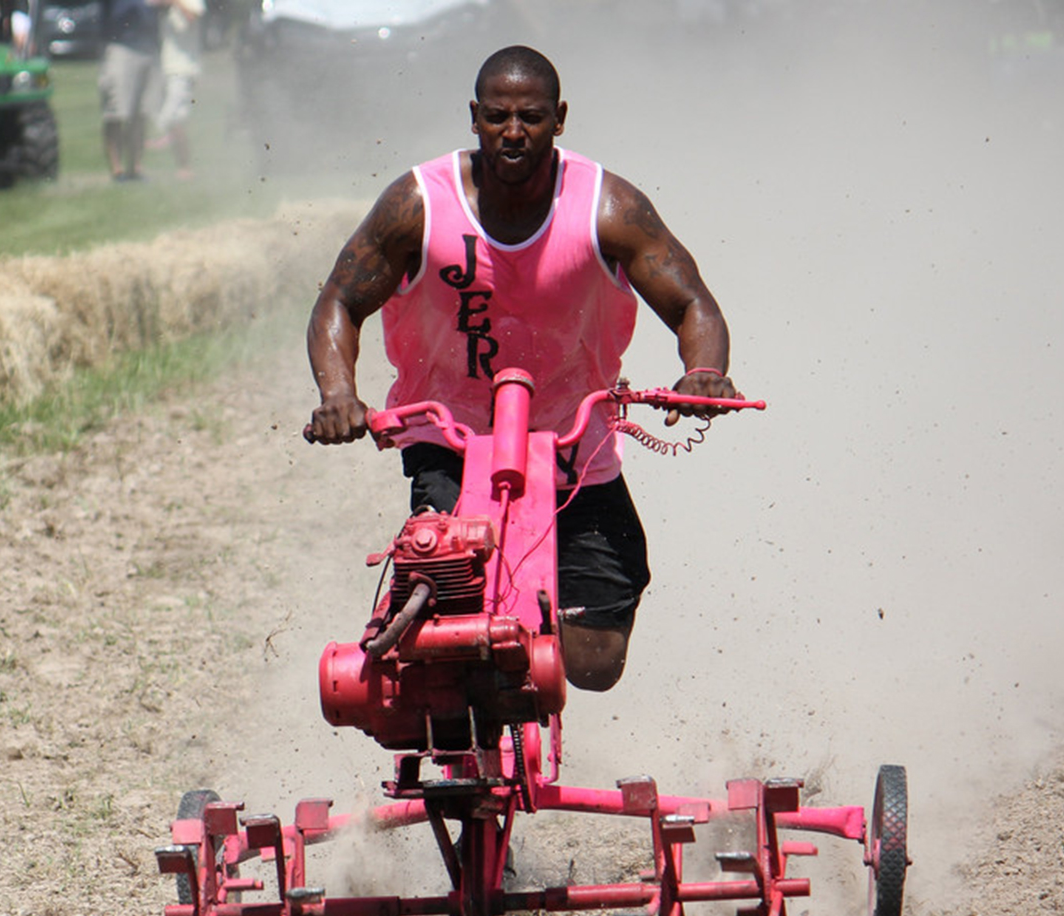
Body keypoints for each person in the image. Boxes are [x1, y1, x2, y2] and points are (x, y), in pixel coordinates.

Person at [302, 45, 743, 693]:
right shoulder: (419, 204)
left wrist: (704, 370)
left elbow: (692, 302)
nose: (514, 133)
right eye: (498, 117)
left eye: (531, 117)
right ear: (474, 118)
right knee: (449, 614)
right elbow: (339, 300)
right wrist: (339, 393)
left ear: (558, 119)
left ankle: (525, 669)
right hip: (448, 443)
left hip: (573, 448)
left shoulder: (606, 207)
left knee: (595, 662)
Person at [98, 0, 157, 181]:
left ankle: (136, 168)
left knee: (141, 113)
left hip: (149, 48)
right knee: (116, 112)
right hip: (120, 46)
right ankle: (117, 170)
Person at [148, 0, 200, 180]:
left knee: (171, 115)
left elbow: (193, 17)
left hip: (184, 68)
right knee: (178, 119)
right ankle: (184, 167)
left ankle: (162, 135)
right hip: (167, 66)